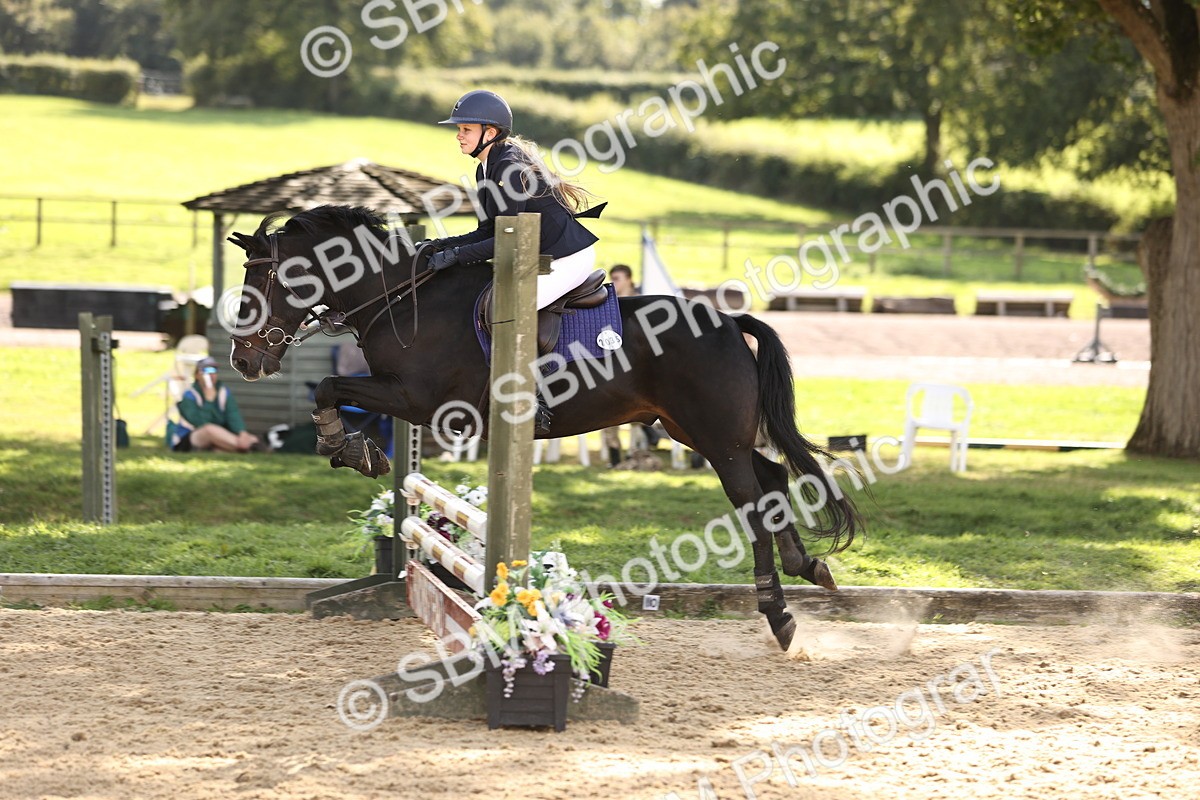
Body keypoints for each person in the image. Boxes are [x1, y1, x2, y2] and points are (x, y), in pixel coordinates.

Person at [427, 89, 606, 434]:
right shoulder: (487, 170)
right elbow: (488, 232)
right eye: (459, 129)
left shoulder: (508, 168)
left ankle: (529, 395)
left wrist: (455, 256)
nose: (458, 135)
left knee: (506, 308)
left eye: (465, 129)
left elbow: (506, 242)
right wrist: (441, 246)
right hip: (540, 254)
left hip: (567, 259)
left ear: (489, 133)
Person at [170, 357, 262, 453]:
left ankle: (232, 447)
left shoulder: (223, 391)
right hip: (188, 439)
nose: (211, 375)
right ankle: (248, 448)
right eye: (206, 371)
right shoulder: (189, 395)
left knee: (250, 438)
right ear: (197, 375)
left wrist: (242, 432)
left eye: (214, 370)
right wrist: (209, 401)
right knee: (209, 429)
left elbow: (233, 414)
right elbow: (200, 423)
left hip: (218, 434)